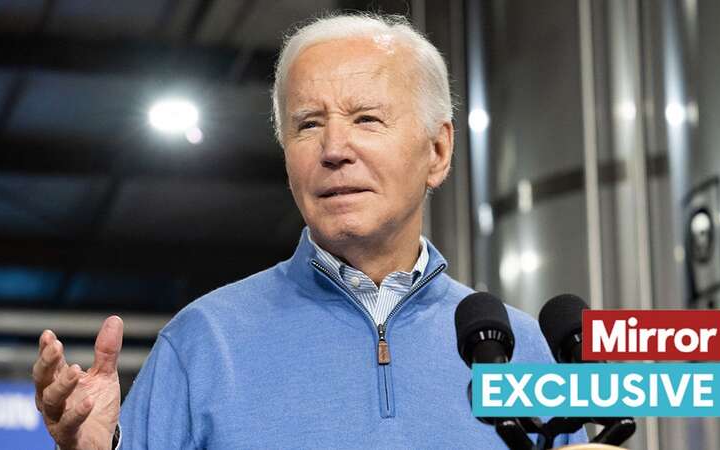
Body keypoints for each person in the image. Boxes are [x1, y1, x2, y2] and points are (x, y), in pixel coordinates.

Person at [32, 13, 586, 449]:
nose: (334, 150)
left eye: (366, 118)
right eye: (308, 124)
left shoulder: (524, 349)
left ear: (438, 151)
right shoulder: (203, 343)